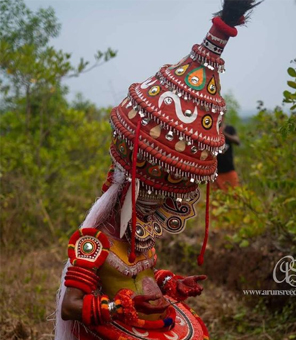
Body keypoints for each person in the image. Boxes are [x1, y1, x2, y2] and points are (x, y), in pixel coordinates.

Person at [55, 1, 260, 340]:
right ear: (127, 189)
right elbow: (70, 306)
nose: (153, 206)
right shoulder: (95, 242)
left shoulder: (143, 232)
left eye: (160, 198)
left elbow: (145, 277)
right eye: (148, 196)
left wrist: (171, 283)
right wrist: (116, 309)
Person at [216, 124, 240, 191]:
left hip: (229, 169)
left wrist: (224, 133)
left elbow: (237, 141)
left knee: (235, 194)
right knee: (216, 198)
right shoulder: (211, 130)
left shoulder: (229, 129)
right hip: (215, 172)